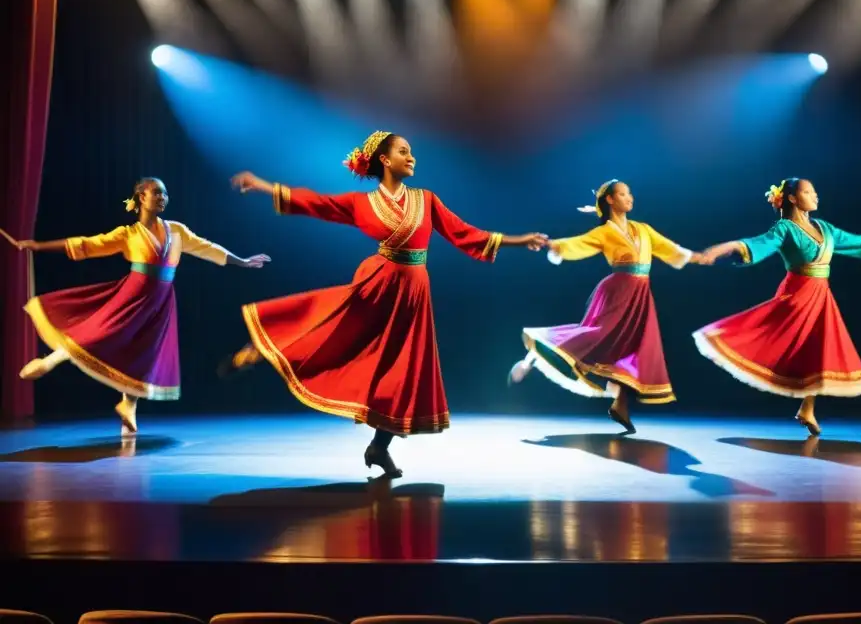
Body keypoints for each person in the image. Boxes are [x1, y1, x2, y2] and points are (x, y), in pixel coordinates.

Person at [226, 131, 547, 478]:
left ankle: (379, 446)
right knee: (332, 327)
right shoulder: (361, 203)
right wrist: (262, 185)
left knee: (406, 373)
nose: (412, 158)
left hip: (413, 292)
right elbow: (317, 203)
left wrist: (518, 240)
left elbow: (464, 233)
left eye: (412, 153)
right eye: (404, 152)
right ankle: (267, 345)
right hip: (377, 284)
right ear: (384, 159)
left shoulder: (426, 200)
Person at [15, 177, 270, 432]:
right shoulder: (128, 234)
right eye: (156, 193)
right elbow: (86, 245)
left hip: (160, 302)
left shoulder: (176, 231)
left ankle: (129, 405)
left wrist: (242, 261)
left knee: (143, 352)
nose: (162, 198)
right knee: (100, 333)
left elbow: (208, 248)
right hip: (132, 296)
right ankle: (50, 361)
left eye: (165, 194)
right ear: (141, 198)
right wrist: (38, 246)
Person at [692, 178, 861, 435]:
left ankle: (807, 408)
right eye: (808, 191)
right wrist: (723, 249)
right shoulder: (785, 228)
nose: (816, 195)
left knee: (819, 350)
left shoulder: (825, 229)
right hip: (796, 296)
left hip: (821, 297)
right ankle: (724, 340)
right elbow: (758, 244)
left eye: (815, 191)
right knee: (774, 337)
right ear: (793, 198)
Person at [508, 180, 705, 433]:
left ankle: (620, 404)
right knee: (600, 338)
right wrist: (554, 245)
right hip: (618, 292)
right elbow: (577, 244)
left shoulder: (643, 229)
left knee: (635, 348)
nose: (629, 197)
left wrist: (697, 257)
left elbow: (669, 248)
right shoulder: (605, 232)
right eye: (623, 194)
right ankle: (535, 353)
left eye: (630, 193)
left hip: (641, 294)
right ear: (610, 200)